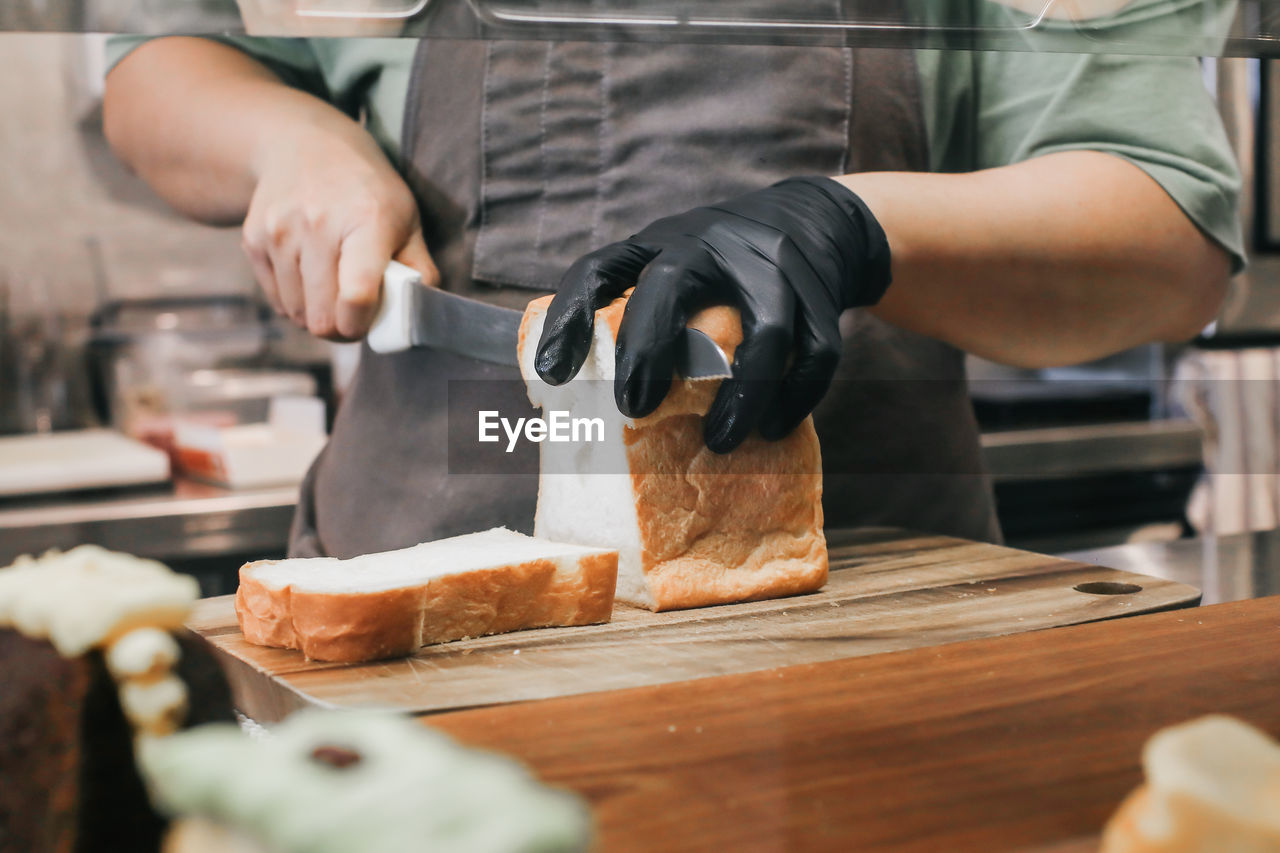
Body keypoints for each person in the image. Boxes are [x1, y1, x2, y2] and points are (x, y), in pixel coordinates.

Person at [102, 1, 1244, 559]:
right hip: (411, 582)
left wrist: (853, 228)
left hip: (872, 609)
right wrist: (289, 141)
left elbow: (1164, 240)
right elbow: (161, 59)